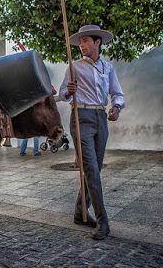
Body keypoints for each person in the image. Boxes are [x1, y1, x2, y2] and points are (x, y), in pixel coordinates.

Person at [59, 25, 125, 240]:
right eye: (80, 42)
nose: (82, 45)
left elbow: (117, 93)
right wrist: (69, 92)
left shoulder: (108, 68)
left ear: (98, 42)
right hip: (81, 118)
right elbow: (62, 94)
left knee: (94, 169)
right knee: (92, 169)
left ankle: (80, 211)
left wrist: (116, 107)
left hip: (100, 119)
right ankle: (103, 220)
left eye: (86, 40)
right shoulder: (74, 67)